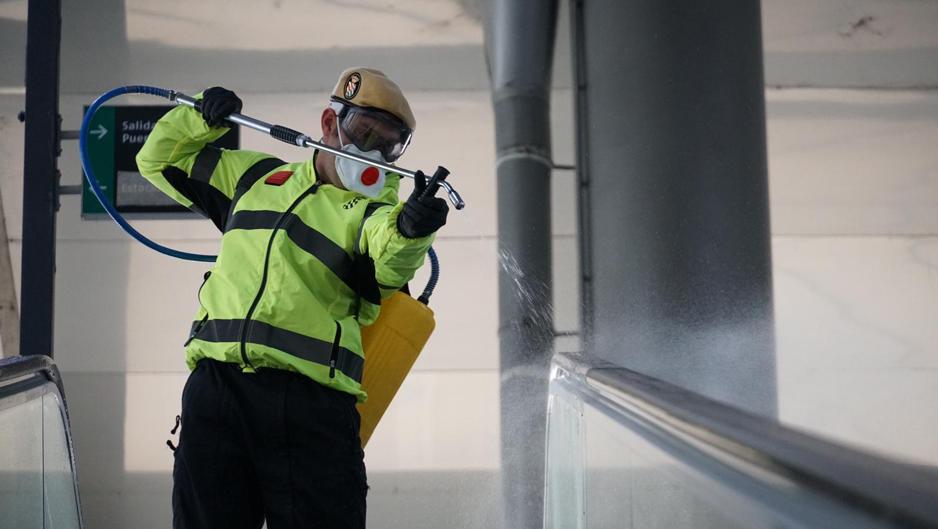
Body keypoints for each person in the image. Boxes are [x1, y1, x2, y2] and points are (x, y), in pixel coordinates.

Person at [135, 67, 448, 529]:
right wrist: (202, 117)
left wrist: (412, 229)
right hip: (218, 393)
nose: (374, 152)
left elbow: (389, 263)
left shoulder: (377, 214)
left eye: (389, 144)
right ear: (329, 123)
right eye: (364, 132)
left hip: (311, 409)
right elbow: (160, 162)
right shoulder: (254, 177)